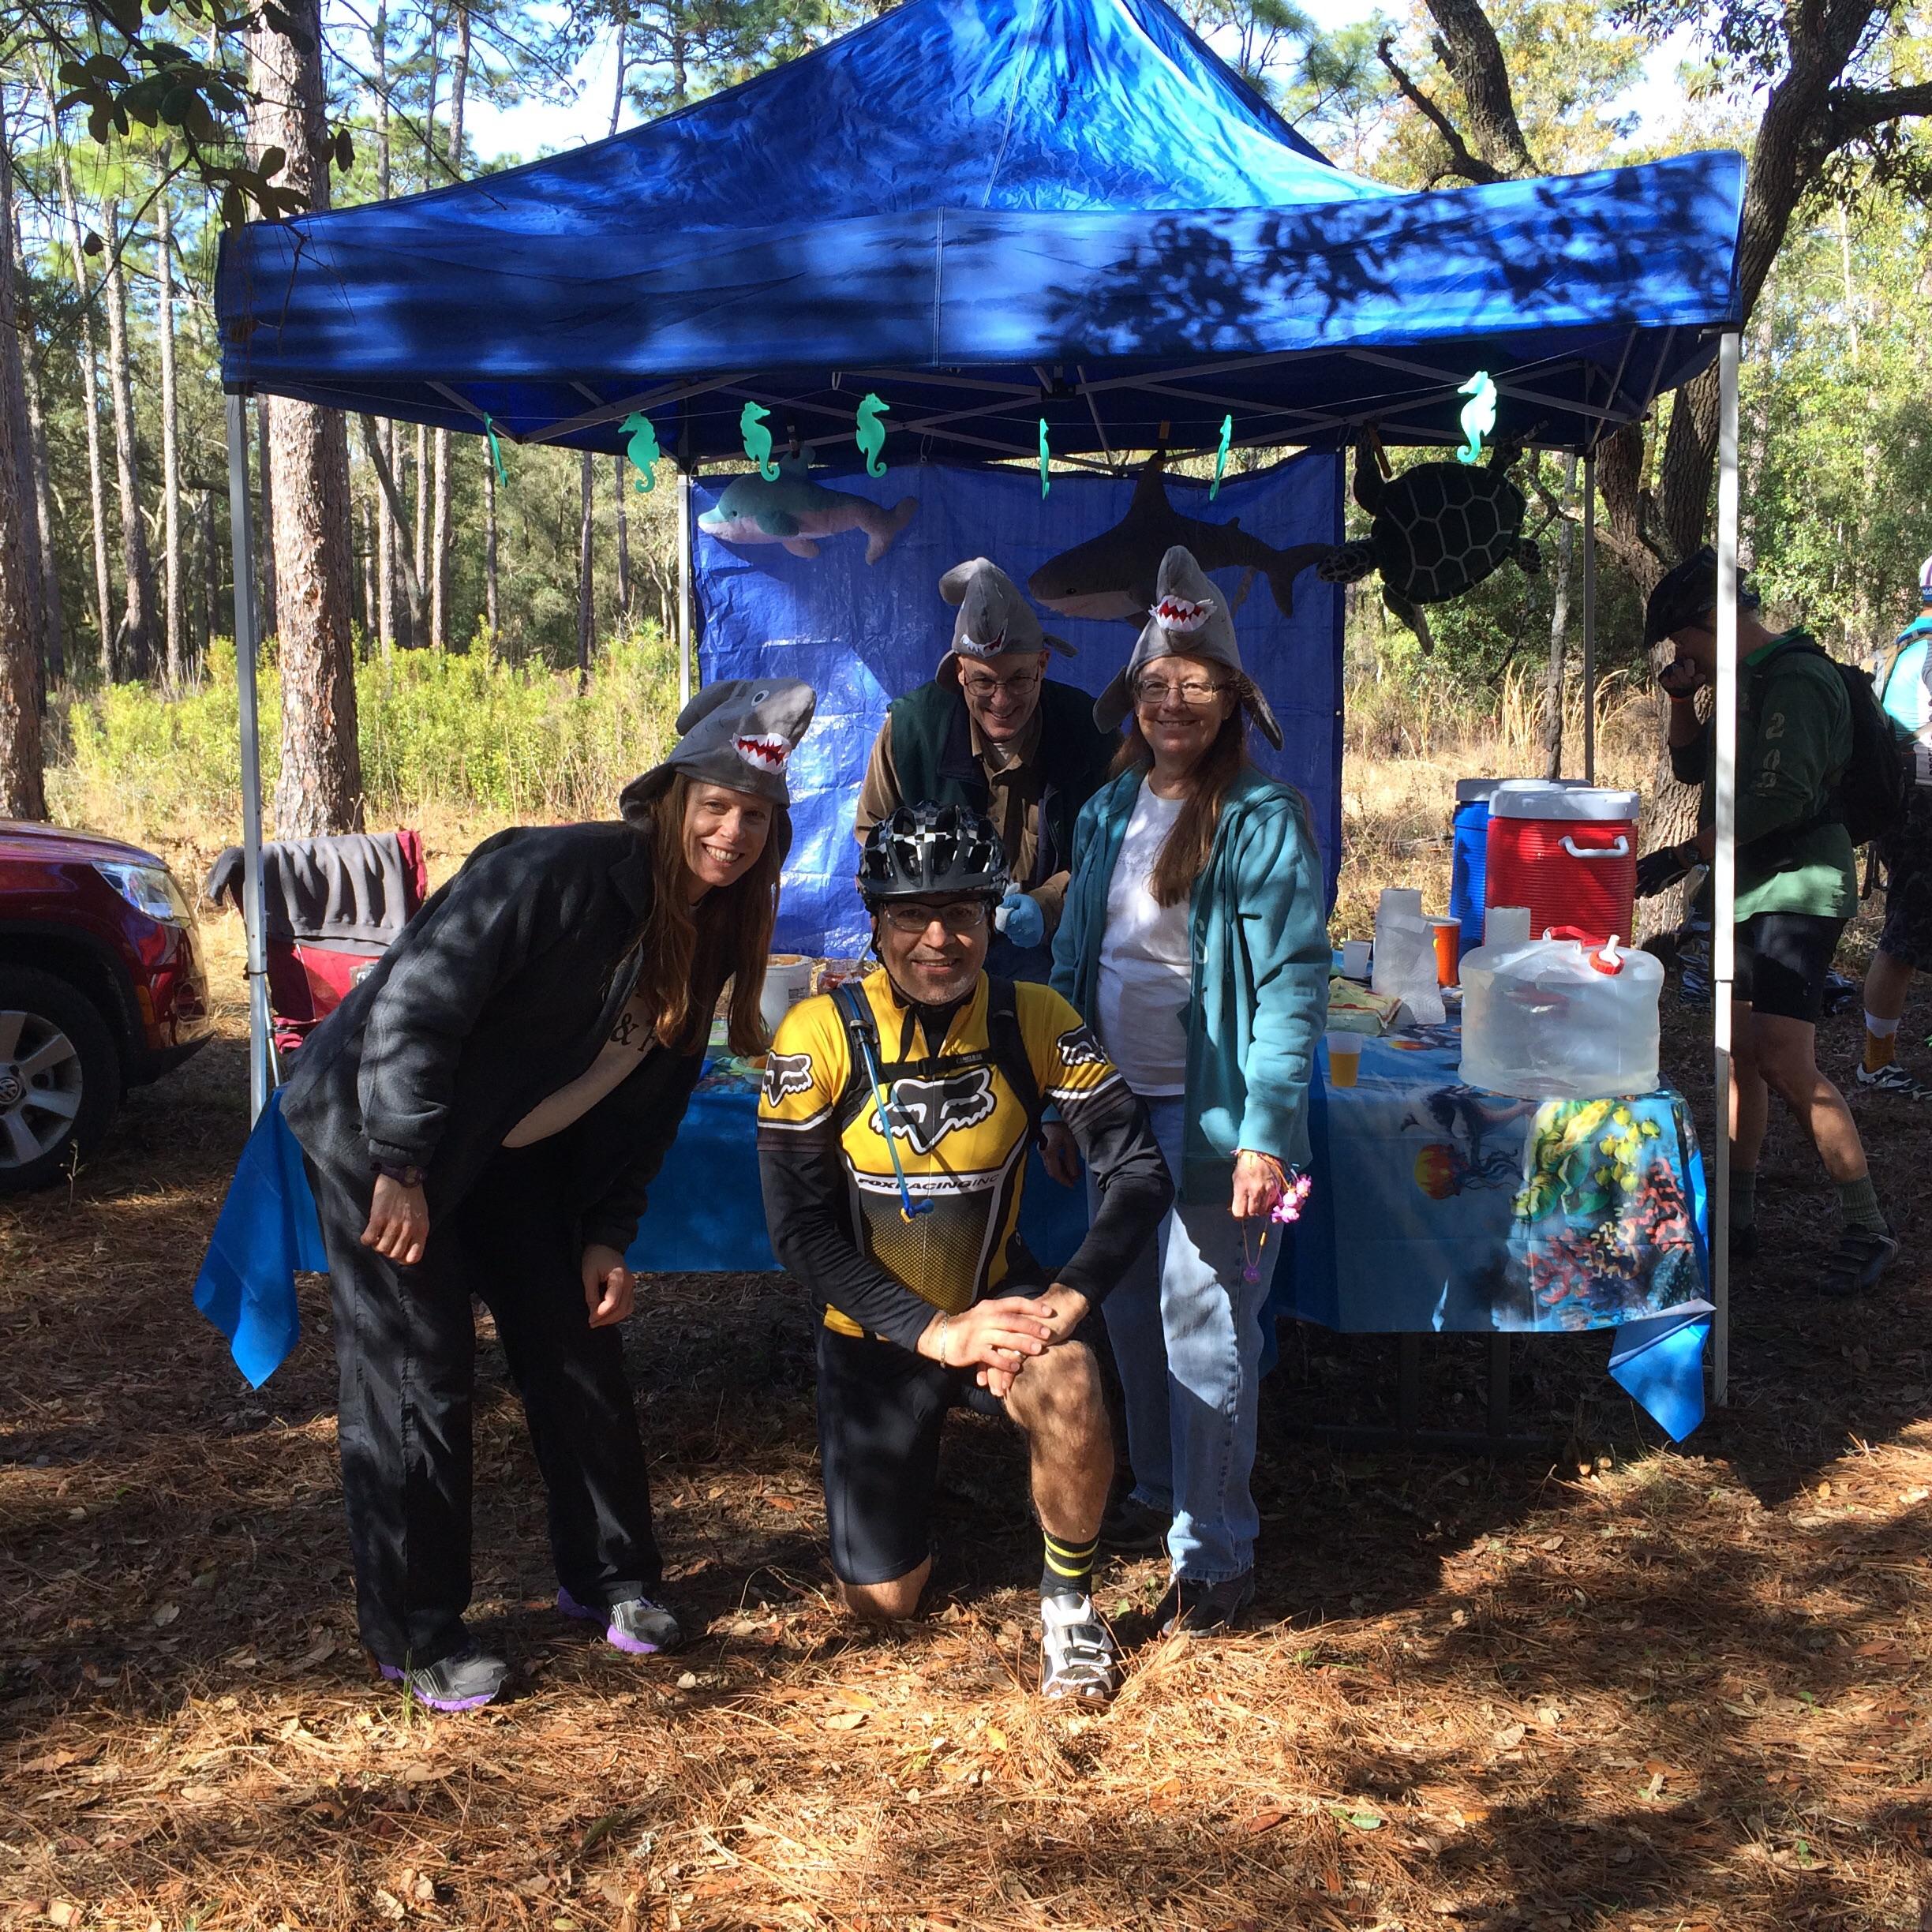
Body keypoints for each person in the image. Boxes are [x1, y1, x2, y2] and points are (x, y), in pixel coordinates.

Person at [279, 678, 818, 1710]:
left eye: (755, 815)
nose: (733, 830)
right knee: (418, 1373)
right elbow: (415, 1008)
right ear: (668, 799)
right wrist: (400, 1163)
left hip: (509, 1146)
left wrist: (607, 1231)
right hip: (384, 1132)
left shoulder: (715, 926)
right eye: (714, 804)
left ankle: (611, 1578)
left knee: (574, 1336)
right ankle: (420, 1631)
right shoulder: (554, 871)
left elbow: (650, 1099)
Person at [758, 803, 1172, 1701]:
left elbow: (1139, 1173)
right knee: (885, 1605)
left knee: (1069, 1377)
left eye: (965, 914)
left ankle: (1070, 1607)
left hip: (997, 1298)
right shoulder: (817, 1035)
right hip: (874, 1328)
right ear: (875, 922)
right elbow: (798, 1232)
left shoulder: (1035, 1016)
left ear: (994, 919)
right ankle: (913, 1481)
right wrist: (932, 1331)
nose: (939, 939)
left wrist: (1067, 1301)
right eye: (912, 914)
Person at [1051, 545, 1331, 1634]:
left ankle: (1218, 1557)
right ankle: (1166, 1496)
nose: (1175, 701)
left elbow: (1292, 989)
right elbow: (1084, 955)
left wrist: (1264, 1134)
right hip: (1112, 1107)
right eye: (1156, 683)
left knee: (1205, 1328)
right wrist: (1067, 1101)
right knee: (1128, 1314)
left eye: (1197, 681)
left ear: (1232, 696)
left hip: (1213, 1121)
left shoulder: (1261, 822)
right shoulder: (1109, 808)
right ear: (1134, 696)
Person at [1634, 546, 1894, 1291]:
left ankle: (1868, 1225)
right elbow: (1693, 771)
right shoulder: (1740, 682)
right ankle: (1738, 1215)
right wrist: (1683, 700)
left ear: (1712, 619)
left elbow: (1782, 799)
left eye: (1684, 639)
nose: (1681, 652)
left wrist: (1686, 854)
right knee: (1740, 1049)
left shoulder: (1798, 680)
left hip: (1799, 887)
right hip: (1746, 887)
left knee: (1785, 1058)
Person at [854, 558, 1118, 979]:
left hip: (1058, 957)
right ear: (959, 671)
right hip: (941, 949)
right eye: (983, 682)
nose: (1001, 700)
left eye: (1019, 679)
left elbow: (1113, 852)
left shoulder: (1090, 733)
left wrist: (1050, 902)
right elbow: (875, 838)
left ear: (1043, 665)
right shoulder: (911, 731)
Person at [1858, 555, 1932, 1098]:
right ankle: (1875, 1063)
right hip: (1922, 811)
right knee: (1904, 936)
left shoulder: (1903, 646)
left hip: (1900, 805)